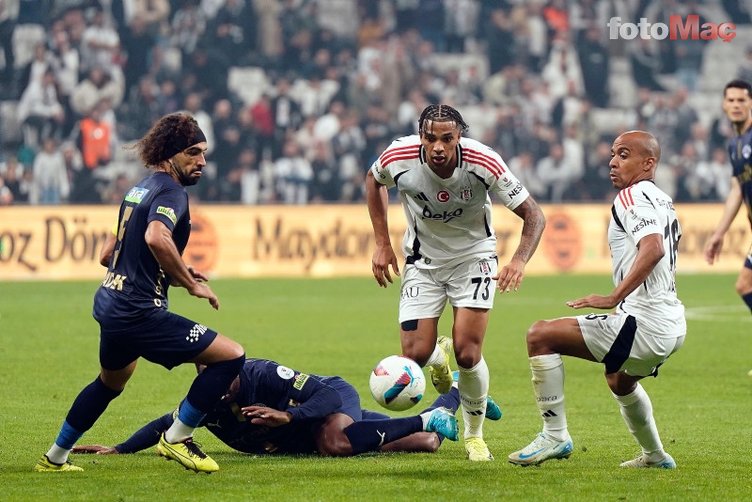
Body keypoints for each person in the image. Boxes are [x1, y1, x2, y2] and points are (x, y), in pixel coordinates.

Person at [35, 113, 246, 473]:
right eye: (193, 153)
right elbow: (155, 237)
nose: (202, 162)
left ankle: (55, 457)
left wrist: (176, 268)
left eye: (204, 153)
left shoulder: (139, 188)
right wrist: (191, 283)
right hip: (138, 311)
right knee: (230, 357)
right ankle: (178, 437)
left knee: (108, 384)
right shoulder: (172, 191)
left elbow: (108, 254)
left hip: (111, 302)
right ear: (170, 153)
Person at [366, 104, 546, 461]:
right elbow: (373, 180)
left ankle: (474, 435)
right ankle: (437, 359)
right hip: (423, 262)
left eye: (446, 139)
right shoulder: (398, 156)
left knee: (468, 352)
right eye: (430, 138)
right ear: (421, 137)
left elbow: (534, 214)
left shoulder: (484, 162)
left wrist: (519, 260)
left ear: (458, 137)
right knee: (413, 354)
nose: (437, 147)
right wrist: (383, 243)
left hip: (473, 260)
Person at [508, 130, 685, 469]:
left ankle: (554, 435)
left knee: (540, 335)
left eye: (623, 155)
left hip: (643, 323)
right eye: (613, 154)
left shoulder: (631, 197)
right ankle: (656, 456)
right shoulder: (663, 199)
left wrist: (613, 297)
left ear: (648, 163)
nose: (612, 162)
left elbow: (653, 248)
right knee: (620, 380)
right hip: (671, 324)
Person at [70, 358, 505, 458]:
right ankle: (460, 399)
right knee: (426, 444)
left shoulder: (264, 375)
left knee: (334, 440)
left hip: (327, 403)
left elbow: (330, 398)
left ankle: (431, 414)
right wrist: (120, 450)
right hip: (303, 434)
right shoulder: (210, 402)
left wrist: (288, 415)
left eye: (220, 375)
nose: (216, 384)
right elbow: (167, 424)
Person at [703, 79, 752, 376]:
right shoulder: (734, 144)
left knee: (745, 284)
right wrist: (719, 233)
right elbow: (738, 189)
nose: (736, 105)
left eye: (742, 100)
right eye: (731, 100)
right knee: (745, 285)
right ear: (723, 104)